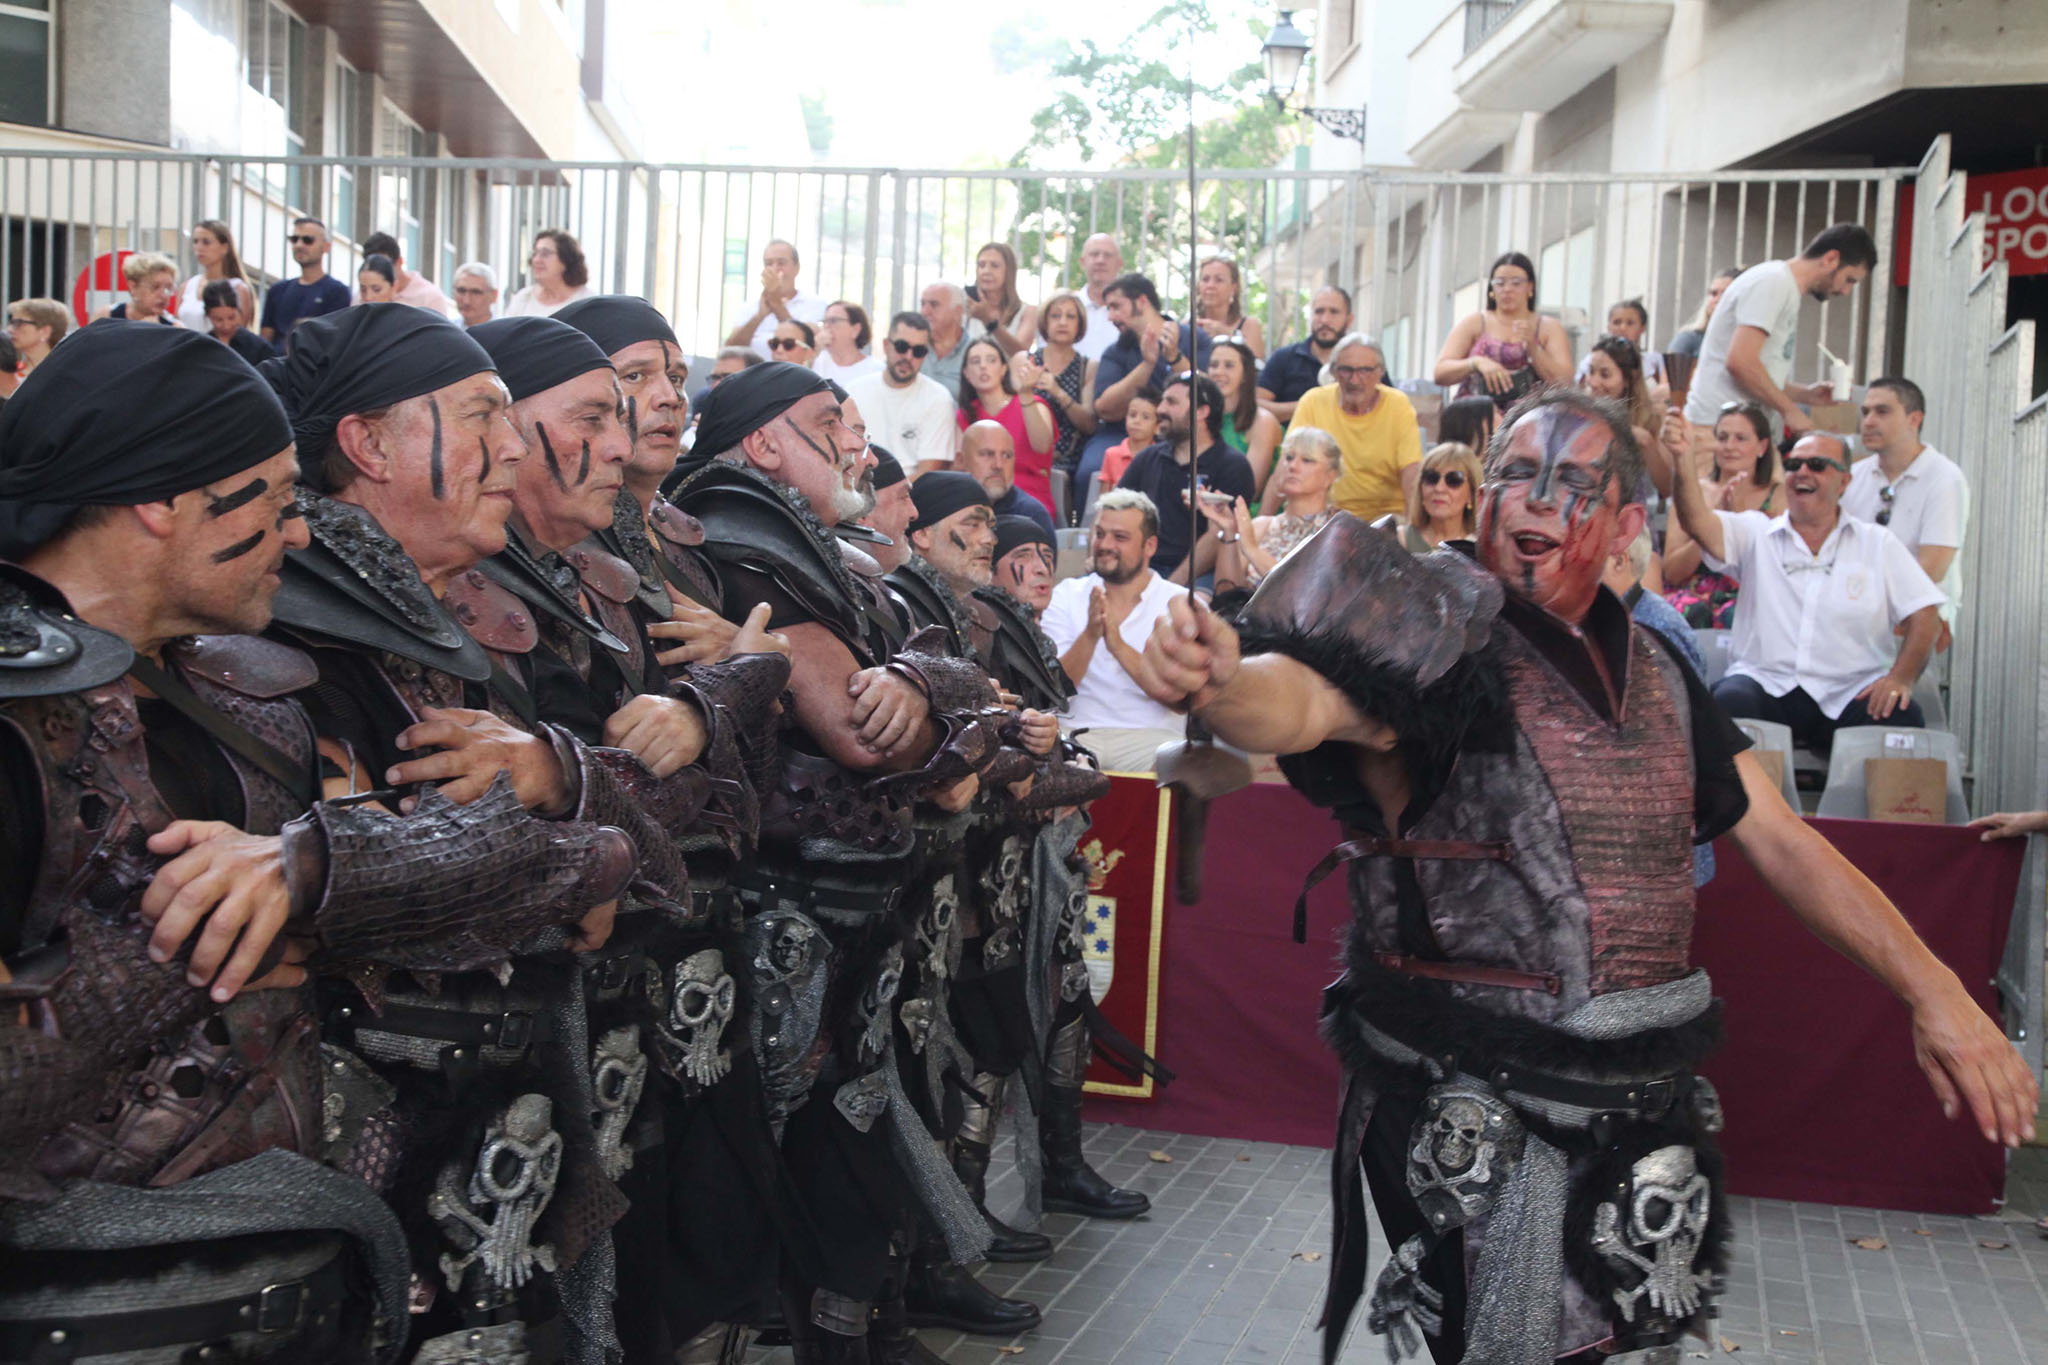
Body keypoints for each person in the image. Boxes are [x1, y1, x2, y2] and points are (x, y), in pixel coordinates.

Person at [1137, 386, 2036, 1365]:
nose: (1528, 502)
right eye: (1513, 474)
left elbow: (1777, 837)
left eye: (1567, 483)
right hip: (1471, 1109)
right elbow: (1306, 702)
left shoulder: (1655, 663)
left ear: (1624, 524)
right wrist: (1227, 683)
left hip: (1635, 1104)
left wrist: (1932, 988)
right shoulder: (1430, 634)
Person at [0, 320, 628, 1364]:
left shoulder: (240, 693)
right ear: (162, 500)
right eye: (275, 500)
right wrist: (179, 961)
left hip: (292, 1262)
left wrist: (316, 874)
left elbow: (578, 865)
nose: (298, 536)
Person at [667, 363, 1020, 1362]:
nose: (851, 444)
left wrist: (930, 687)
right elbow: (869, 734)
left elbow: (957, 696)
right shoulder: (738, 543)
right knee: (741, 1181)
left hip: (864, 910)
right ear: (764, 443)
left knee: (850, 1144)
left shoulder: (838, 559)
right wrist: (943, 710)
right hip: (776, 913)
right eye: (827, 425)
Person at [1672, 430, 1944, 754]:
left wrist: (1900, 679)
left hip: (1851, 692)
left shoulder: (1877, 543)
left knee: (1901, 715)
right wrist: (1681, 460)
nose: (1802, 472)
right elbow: (1696, 523)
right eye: (1794, 464)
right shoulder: (1756, 532)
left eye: (1817, 465)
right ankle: (1746, 806)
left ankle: (1874, 807)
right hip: (1766, 684)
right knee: (1728, 702)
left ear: (1844, 482)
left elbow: (1926, 616)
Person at [1683, 223, 1876, 443]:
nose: (1845, 291)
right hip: (1717, 433)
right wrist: (1790, 411)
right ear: (1831, 258)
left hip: (1738, 433)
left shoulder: (1782, 284)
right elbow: (1740, 363)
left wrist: (1806, 395)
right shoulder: (1774, 282)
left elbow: (1757, 374)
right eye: (1849, 279)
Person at [1042, 489, 1190, 773]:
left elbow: (1180, 699)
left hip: (1152, 738)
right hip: (1075, 734)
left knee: (1180, 764)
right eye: (1100, 534)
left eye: (1120, 537)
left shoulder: (1180, 603)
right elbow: (1054, 690)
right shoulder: (1066, 594)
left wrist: (1117, 645)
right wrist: (1090, 635)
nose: (1105, 544)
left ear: (1150, 546)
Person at [1842, 376, 1967, 627]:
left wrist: (1864, 605)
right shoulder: (1853, 476)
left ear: (1914, 419)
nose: (1868, 421)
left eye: (1882, 411)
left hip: (1914, 622)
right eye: (1865, 412)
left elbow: (1932, 568)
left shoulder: (1944, 477)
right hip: (1855, 618)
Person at [1076, 272, 1214, 493]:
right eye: (1108, 309)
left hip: (1181, 433)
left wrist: (1175, 359)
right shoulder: (1116, 351)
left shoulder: (1193, 338)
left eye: (1116, 306)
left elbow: (1211, 394)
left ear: (1141, 301)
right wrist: (1146, 366)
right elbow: (1103, 408)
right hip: (1121, 432)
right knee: (1089, 471)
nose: (1110, 316)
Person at [1118, 372, 1257, 582]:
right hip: (1144, 565)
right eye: (1162, 401)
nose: (1161, 409)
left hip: (1201, 574)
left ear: (1201, 412)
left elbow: (1217, 536)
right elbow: (1115, 507)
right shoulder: (1149, 457)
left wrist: (1170, 586)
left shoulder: (1232, 466)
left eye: (1171, 402)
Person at [1661, 400, 1781, 629]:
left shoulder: (1779, 497)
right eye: (1723, 437)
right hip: (1694, 597)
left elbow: (1777, 570)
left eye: (1741, 438)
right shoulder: (1691, 493)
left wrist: (1738, 520)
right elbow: (1673, 572)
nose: (1729, 446)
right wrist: (1712, 520)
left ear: (1762, 447)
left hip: (1750, 596)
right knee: (1694, 611)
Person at [1283, 332, 1422, 522]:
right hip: (1326, 518)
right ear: (1333, 372)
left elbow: (1411, 472)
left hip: (1387, 518)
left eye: (1365, 370)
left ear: (1380, 372)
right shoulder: (1313, 401)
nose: (1354, 380)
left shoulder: (1398, 405)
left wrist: (1415, 527)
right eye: (1346, 370)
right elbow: (1287, 461)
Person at [1202, 424, 1342, 594]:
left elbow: (1304, 595)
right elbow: (1225, 592)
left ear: (1331, 475)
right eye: (1289, 458)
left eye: (1307, 460)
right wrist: (1229, 531)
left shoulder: (1337, 531)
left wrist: (1253, 550)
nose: (1293, 466)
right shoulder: (1261, 526)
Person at [1431, 250, 1573, 413]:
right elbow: (1440, 372)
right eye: (1500, 283)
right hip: (1476, 420)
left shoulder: (1548, 327)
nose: (1507, 289)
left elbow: (1565, 383)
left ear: (1530, 287)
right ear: (1491, 289)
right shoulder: (1475, 323)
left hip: (1528, 422)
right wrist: (1476, 362)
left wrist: (1534, 348)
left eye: (1516, 282)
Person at [847, 312, 958, 475]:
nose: (908, 357)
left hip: (911, 495)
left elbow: (928, 473)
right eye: (902, 347)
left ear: (925, 355)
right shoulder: (854, 391)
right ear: (886, 345)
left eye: (918, 351)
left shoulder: (938, 398)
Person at [957, 335, 1057, 509]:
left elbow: (1042, 446)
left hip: (1028, 502)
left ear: (1004, 369)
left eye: (991, 360)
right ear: (966, 373)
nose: (983, 366)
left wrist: (1025, 394)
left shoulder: (1033, 403)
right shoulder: (964, 414)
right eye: (975, 361)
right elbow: (959, 465)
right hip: (979, 501)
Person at [1014, 291, 1096, 480]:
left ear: (1080, 324)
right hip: (1025, 452)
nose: (1062, 322)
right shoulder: (1024, 360)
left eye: (1070, 316)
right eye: (1056, 316)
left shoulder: (1088, 367)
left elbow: (1089, 424)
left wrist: (1058, 392)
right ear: (1044, 322)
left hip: (1068, 459)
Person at [1581, 332, 1671, 495]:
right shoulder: (1579, 414)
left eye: (1605, 374)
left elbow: (1666, 489)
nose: (1593, 382)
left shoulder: (1653, 418)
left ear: (1628, 379)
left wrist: (1647, 444)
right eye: (1591, 371)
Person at [1257, 285, 1352, 424]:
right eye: (1319, 311)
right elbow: (1257, 406)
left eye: (1334, 312)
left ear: (1349, 320)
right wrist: (1309, 405)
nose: (1325, 320)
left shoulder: (1364, 361)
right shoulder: (1284, 357)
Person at [724, 239, 828, 360]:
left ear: (797, 268)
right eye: (769, 263)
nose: (775, 269)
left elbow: (806, 343)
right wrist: (759, 316)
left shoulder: (815, 304)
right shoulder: (749, 307)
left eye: (781, 263)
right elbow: (730, 350)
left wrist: (777, 305)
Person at [259, 217, 351, 345]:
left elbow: (335, 341)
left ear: (326, 246)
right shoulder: (277, 290)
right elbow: (265, 339)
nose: (299, 245)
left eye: (308, 240)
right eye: (294, 239)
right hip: (276, 363)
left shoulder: (337, 292)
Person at [958, 417, 1056, 535]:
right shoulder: (944, 508)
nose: (998, 465)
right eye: (987, 454)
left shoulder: (1032, 515)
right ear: (961, 460)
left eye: (1007, 456)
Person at [1209, 338, 1282, 495]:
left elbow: (1250, 489)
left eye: (1229, 365)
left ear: (1244, 375)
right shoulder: (1201, 418)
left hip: (1249, 512)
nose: (1219, 372)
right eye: (1214, 365)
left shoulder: (1262, 421)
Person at [1576, 298, 1668, 403]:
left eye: (1630, 323)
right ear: (1608, 326)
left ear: (1643, 328)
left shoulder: (1655, 361)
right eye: (1617, 322)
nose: (1623, 328)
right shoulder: (1591, 359)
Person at [1397, 440, 1482, 553]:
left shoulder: (1478, 551)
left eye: (1453, 480)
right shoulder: (1399, 541)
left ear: (1471, 494)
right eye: (1431, 477)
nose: (1439, 488)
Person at [175, 218, 254, 331]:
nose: (199, 247)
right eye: (195, 241)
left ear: (224, 247)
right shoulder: (187, 286)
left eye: (206, 242)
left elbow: (239, 334)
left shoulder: (238, 288)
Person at [357, 230, 457, 318]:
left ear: (400, 262)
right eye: (364, 289)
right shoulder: (359, 297)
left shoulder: (429, 297)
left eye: (376, 289)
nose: (369, 297)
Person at [502, 228, 594, 317]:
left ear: (566, 258)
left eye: (545, 254)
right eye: (535, 254)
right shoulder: (523, 298)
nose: (536, 260)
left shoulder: (587, 302)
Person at [966, 242, 1038, 355]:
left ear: (1009, 271)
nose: (986, 271)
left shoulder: (1027, 312)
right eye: (981, 265)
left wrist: (990, 322)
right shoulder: (966, 306)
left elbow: (1021, 353)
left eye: (994, 266)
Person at [1192, 255, 1264, 358]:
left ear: (1234, 287)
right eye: (1205, 279)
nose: (1210, 285)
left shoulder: (1249, 325)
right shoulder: (1188, 325)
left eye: (1219, 280)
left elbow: (1258, 367)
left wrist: (1229, 335)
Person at [918, 281, 980, 396]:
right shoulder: (910, 348)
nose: (924, 312)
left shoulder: (976, 353)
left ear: (957, 312)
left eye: (934, 305)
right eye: (923, 304)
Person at [1667, 265, 1743, 359]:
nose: (1717, 299)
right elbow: (1671, 371)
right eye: (1713, 293)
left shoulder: (1749, 340)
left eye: (1725, 294)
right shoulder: (1689, 338)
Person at [1072, 232, 1125, 361]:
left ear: (1119, 264)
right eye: (1094, 254)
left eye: (1107, 255)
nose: (1100, 260)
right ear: (1082, 262)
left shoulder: (1130, 311)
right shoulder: (1068, 308)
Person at [1097, 385, 1159, 492]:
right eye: (1132, 415)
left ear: (1157, 427)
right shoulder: (1111, 454)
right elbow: (1104, 499)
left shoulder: (1158, 458)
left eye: (1146, 417)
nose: (1137, 421)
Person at [992, 513, 1057, 614]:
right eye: (1023, 557)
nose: (1043, 569)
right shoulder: (973, 627)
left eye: (1047, 557)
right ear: (989, 570)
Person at [202, 278, 275, 365]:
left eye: (231, 318)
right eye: (219, 320)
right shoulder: (203, 346)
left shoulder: (259, 348)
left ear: (239, 311)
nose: (226, 325)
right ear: (208, 315)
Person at [95, 250, 178, 324]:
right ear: (133, 287)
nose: (163, 295)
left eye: (168, 288)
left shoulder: (176, 328)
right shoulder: (106, 316)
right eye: (155, 287)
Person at [814, 300, 879, 383]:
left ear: (855, 329)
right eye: (824, 322)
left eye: (833, 321)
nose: (826, 326)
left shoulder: (875, 370)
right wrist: (815, 349)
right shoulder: (817, 361)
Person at [6, 297, 68, 376]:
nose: (10, 329)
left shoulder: (65, 374)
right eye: (12, 323)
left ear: (45, 332)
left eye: (19, 323)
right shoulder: (7, 375)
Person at [451, 260, 500, 326]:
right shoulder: (445, 332)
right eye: (461, 291)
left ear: (494, 296)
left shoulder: (507, 333)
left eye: (476, 292)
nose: (466, 301)